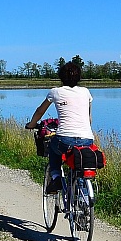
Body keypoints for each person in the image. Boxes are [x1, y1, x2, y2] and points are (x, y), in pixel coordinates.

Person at [24, 61, 94, 194]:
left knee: (53, 149)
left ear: (61, 77)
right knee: (80, 164)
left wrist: (32, 124)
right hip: (87, 138)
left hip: (64, 139)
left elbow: (40, 111)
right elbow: (89, 118)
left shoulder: (55, 92)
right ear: (79, 77)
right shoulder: (86, 92)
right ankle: (83, 200)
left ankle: (56, 178)